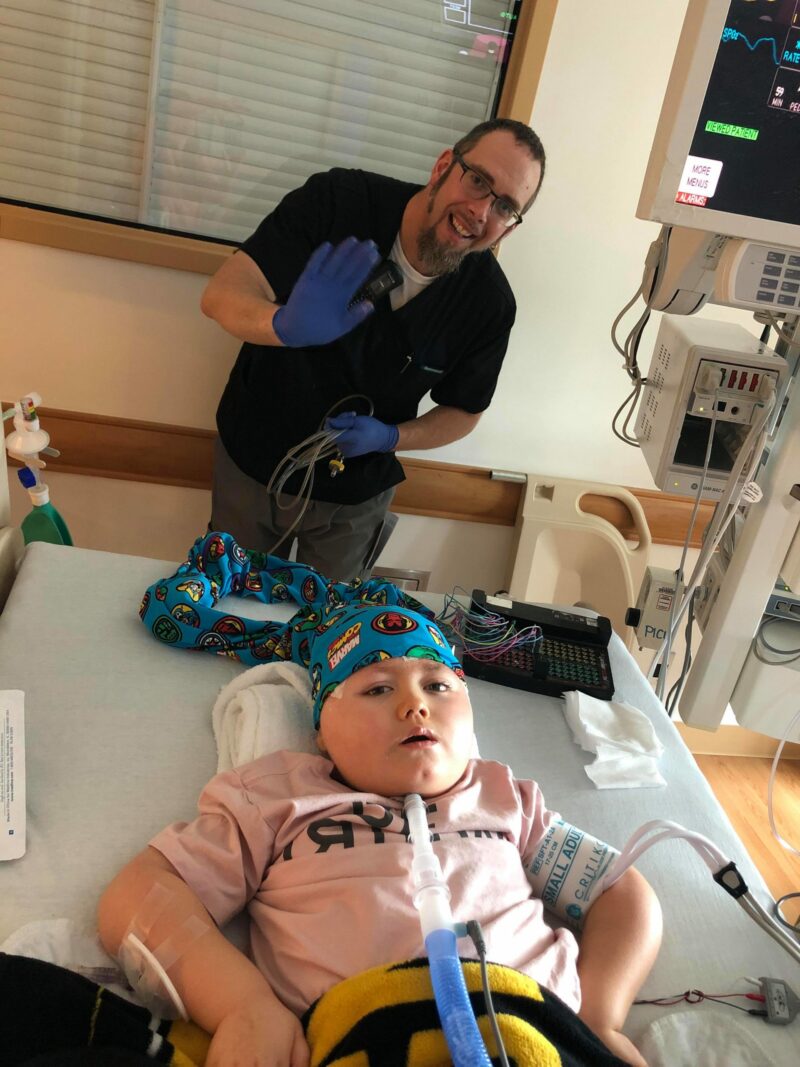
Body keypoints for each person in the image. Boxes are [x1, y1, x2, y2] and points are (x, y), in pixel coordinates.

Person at [98, 604, 662, 1067]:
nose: (414, 703)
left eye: (438, 685)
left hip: (534, 1029)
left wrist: (601, 1019)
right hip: (361, 1033)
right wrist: (244, 1009)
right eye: (374, 690)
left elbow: (620, 891)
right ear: (321, 732)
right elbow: (139, 895)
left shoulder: (502, 797)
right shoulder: (276, 798)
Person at [201, 118, 546, 582]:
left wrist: (391, 437)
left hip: (354, 497)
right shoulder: (338, 203)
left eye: (505, 206)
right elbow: (221, 295)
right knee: (224, 606)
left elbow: (465, 412)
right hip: (252, 462)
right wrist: (283, 325)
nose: (481, 211)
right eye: (478, 180)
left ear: (510, 227)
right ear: (444, 166)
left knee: (330, 631)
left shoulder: (487, 303)